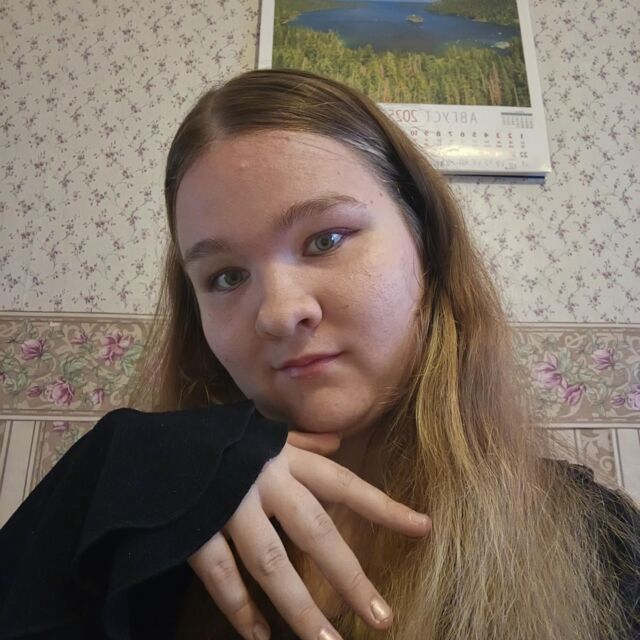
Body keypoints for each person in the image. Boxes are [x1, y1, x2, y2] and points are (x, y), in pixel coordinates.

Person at [1, 68, 638, 640]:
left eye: (325, 239)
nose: (279, 313)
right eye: (226, 277)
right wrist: (119, 471)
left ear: (427, 247)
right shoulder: (153, 543)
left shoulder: (595, 540)